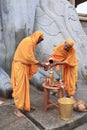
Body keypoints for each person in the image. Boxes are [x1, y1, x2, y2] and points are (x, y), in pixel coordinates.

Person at [11, 30, 45, 117]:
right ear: (36, 36)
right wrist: (40, 63)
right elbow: (28, 57)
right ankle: (17, 110)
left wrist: (39, 63)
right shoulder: (29, 42)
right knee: (20, 88)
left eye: (40, 41)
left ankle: (26, 106)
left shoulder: (31, 42)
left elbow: (29, 56)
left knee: (25, 87)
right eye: (39, 40)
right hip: (19, 66)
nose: (39, 42)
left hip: (23, 66)